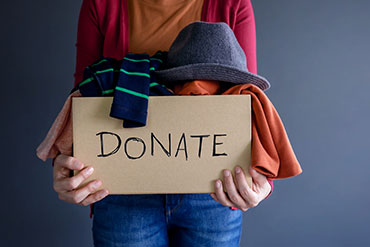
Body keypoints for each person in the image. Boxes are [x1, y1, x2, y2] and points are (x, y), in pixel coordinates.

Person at [53, 0, 273, 246]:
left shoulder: (232, 4)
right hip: (123, 190)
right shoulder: (102, 4)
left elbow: (248, 102)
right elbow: (82, 97)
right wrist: (69, 165)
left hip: (213, 190)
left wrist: (261, 181)